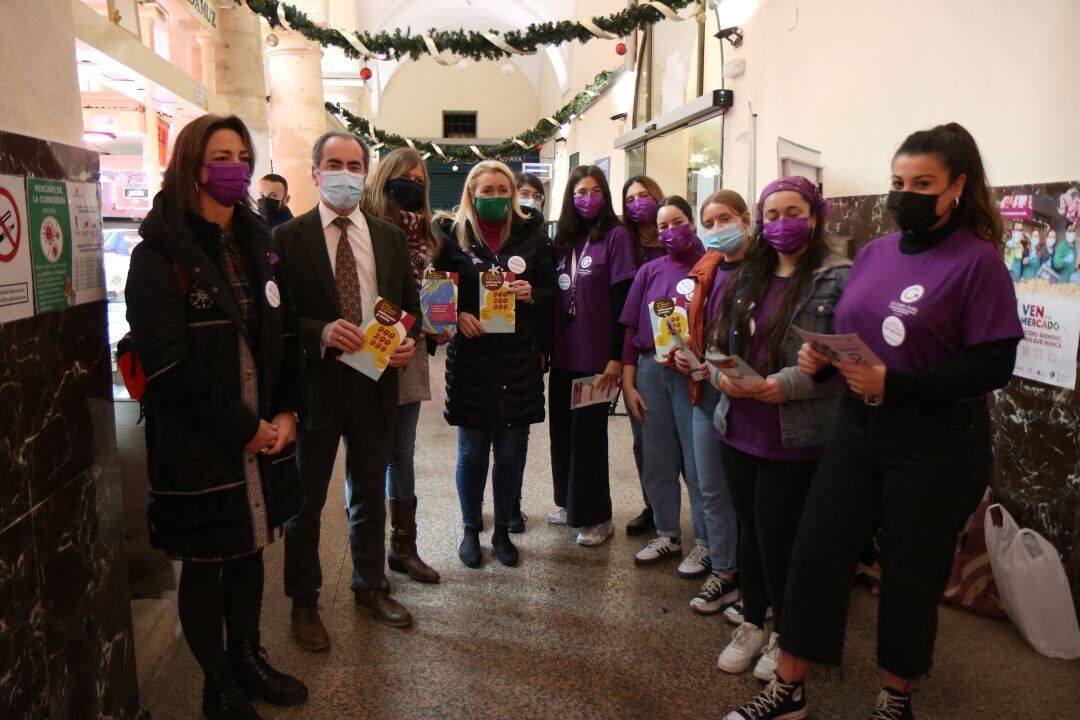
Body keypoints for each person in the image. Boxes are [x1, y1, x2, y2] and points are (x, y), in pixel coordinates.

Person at [727, 123, 1023, 720]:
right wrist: (825, 361)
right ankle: (789, 689)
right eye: (897, 181)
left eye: (922, 183)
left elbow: (994, 365)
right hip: (856, 431)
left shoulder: (978, 263)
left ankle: (895, 696)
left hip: (936, 440)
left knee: (911, 573)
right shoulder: (877, 253)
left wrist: (897, 384)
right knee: (814, 556)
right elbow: (856, 336)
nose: (905, 193)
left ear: (957, 187)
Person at [126, 114, 308, 719]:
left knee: (251, 551)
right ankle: (217, 680)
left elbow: (281, 337)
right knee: (207, 565)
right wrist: (242, 428)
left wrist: (285, 409)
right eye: (218, 156)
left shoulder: (258, 242)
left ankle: (249, 656)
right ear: (190, 166)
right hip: (202, 444)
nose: (233, 168)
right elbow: (168, 366)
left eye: (240, 156)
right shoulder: (160, 254)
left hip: (264, 436)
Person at [276, 131, 420, 650]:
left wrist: (405, 341)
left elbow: (408, 307)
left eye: (354, 164)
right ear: (315, 173)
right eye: (333, 163)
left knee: (368, 494)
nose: (344, 172)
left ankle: (370, 586)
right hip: (315, 387)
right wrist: (318, 331)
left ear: (365, 172)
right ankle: (304, 601)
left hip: (374, 382)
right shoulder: (286, 239)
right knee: (306, 500)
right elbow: (279, 320)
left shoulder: (388, 237)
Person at [707, 176, 850, 685]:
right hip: (738, 422)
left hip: (793, 432)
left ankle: (787, 635)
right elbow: (718, 341)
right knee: (750, 530)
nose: (781, 223)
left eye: (793, 212)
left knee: (779, 536)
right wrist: (723, 374)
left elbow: (837, 363)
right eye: (771, 215)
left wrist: (784, 386)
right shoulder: (747, 274)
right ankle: (752, 620)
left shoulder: (838, 279)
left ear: (813, 217)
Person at [433, 160, 555, 567]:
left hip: (519, 359)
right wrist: (456, 316)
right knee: (471, 452)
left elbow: (552, 291)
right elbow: (435, 293)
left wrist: (530, 293)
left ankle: (503, 528)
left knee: (510, 453)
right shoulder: (450, 237)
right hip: (472, 358)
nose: (497, 198)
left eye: (504, 190)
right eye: (488, 191)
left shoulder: (532, 236)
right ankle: (471, 528)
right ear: (471, 193)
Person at [362, 147, 442, 584]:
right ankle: (367, 552)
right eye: (404, 175)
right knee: (366, 454)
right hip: (367, 350)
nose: (412, 183)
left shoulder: (423, 234)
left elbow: (423, 296)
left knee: (402, 455)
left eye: (419, 178)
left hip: (407, 350)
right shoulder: (362, 226)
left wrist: (435, 322)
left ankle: (403, 547)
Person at [619, 195, 711, 571]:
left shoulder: (710, 270)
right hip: (650, 371)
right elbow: (629, 329)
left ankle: (706, 541)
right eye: (662, 226)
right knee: (657, 457)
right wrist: (629, 382)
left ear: (691, 222)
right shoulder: (650, 271)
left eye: (677, 222)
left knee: (698, 460)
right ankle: (667, 533)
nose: (670, 231)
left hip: (693, 374)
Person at [548, 165, 637, 546]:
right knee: (563, 434)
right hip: (564, 354)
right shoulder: (563, 239)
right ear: (570, 198)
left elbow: (623, 301)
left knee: (589, 440)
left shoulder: (615, 237)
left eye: (595, 190)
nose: (588, 198)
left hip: (596, 358)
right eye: (580, 192)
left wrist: (615, 357)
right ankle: (571, 503)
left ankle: (598, 516)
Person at [671, 190, 748, 614]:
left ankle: (755, 581)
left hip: (751, 392)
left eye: (726, 219)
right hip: (706, 389)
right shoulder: (707, 269)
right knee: (709, 483)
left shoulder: (763, 270)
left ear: (746, 219)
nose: (718, 229)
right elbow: (693, 326)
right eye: (710, 222)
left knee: (747, 491)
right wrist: (684, 354)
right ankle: (724, 571)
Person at [620, 175, 667, 536]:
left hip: (680, 350)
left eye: (644, 195)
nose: (639, 203)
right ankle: (653, 504)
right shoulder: (625, 243)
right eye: (631, 198)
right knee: (644, 438)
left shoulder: (678, 238)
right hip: (638, 345)